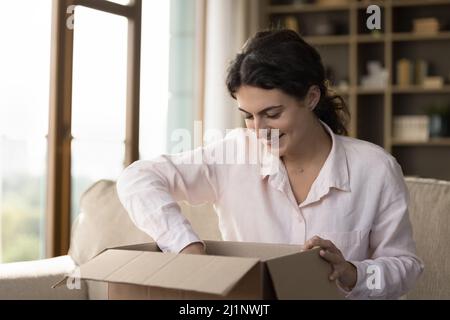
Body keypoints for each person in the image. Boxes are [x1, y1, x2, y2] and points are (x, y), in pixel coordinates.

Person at [116, 29, 423, 299]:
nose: (260, 130)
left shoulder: (375, 168)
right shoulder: (234, 153)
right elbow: (138, 178)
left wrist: (351, 272)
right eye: (248, 116)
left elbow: (405, 267)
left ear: (312, 97)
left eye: (273, 114)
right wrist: (186, 247)